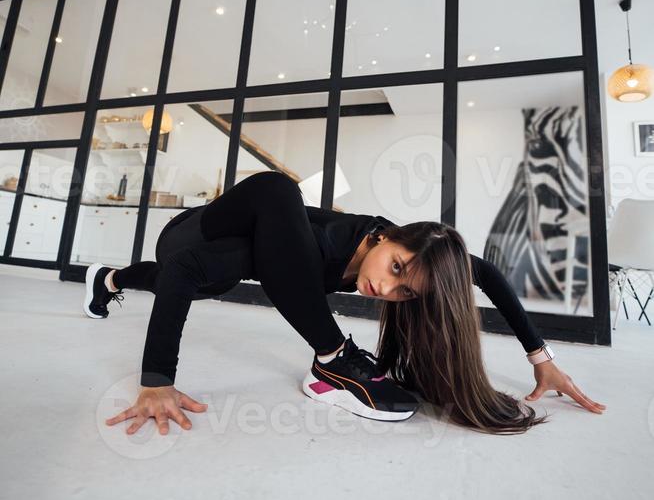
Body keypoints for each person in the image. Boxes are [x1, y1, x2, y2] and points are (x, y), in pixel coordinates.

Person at [83, 171, 605, 437]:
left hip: (210, 260)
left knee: (199, 280)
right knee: (275, 190)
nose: (390, 289)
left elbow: (485, 272)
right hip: (191, 230)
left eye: (406, 292)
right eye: (397, 268)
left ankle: (106, 280)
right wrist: (156, 380)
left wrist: (542, 358)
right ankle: (333, 357)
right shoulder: (319, 244)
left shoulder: (391, 259)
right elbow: (182, 261)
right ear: (386, 237)